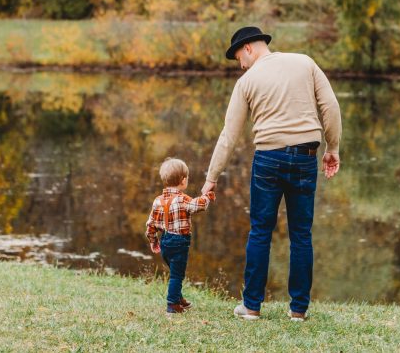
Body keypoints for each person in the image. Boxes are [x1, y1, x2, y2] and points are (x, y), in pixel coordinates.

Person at [202, 26, 342, 322]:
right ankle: (298, 310)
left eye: (238, 58)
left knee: (260, 232)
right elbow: (330, 106)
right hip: (305, 156)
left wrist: (211, 178)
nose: (240, 65)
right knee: (301, 234)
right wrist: (333, 147)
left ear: (249, 48)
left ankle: (252, 306)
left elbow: (229, 135)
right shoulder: (305, 62)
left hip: (268, 159)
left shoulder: (247, 81)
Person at [144, 157, 215, 315]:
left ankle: (178, 297)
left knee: (175, 271)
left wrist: (153, 241)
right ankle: (173, 305)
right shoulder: (183, 199)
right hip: (179, 243)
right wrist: (207, 196)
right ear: (183, 180)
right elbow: (198, 205)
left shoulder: (157, 201)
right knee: (177, 275)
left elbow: (151, 224)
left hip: (165, 242)